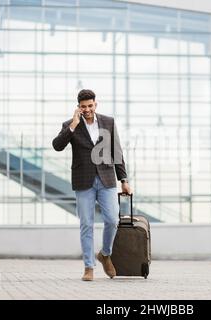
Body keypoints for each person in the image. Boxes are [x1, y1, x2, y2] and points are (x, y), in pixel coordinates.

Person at [52, 89, 131, 281]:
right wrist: (73, 125)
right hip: (83, 180)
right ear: (78, 107)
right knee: (86, 224)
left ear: (96, 104)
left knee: (112, 220)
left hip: (107, 178)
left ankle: (105, 254)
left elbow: (116, 151)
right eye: (83, 106)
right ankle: (89, 267)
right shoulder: (71, 125)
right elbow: (57, 145)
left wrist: (124, 180)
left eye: (90, 105)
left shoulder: (108, 122)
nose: (87, 109)